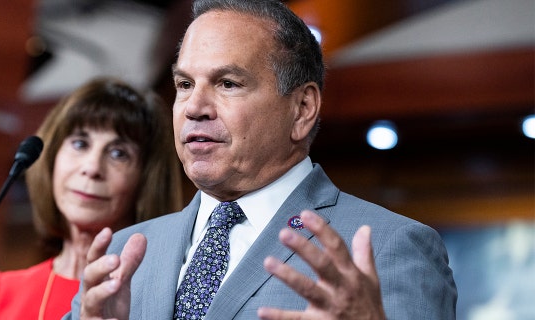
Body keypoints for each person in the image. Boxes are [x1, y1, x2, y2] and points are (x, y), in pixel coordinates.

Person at [67, 1, 458, 319]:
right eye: (185, 85)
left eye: (228, 83)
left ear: (302, 108)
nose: (194, 108)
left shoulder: (389, 248)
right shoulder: (121, 255)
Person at [0, 77, 183, 319]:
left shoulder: (165, 303)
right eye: (80, 143)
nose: (92, 167)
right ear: (53, 157)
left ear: (146, 180)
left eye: (119, 153)